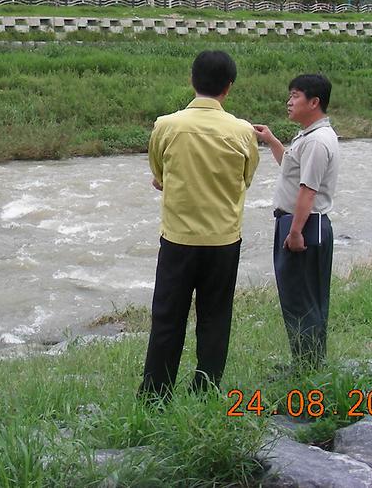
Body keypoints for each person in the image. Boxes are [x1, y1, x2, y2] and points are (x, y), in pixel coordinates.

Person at [140, 50, 260, 398]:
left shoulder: (166, 125)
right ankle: (205, 390)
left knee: (167, 318)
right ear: (229, 87)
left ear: (192, 80)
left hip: (178, 239)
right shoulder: (243, 131)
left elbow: (159, 175)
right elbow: (246, 178)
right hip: (223, 241)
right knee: (215, 317)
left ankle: (155, 394)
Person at [253, 74, 340, 370]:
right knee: (301, 298)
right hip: (300, 224)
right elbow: (291, 168)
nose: (289, 102)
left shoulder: (317, 141)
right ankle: (307, 363)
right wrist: (272, 141)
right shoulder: (308, 136)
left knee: (301, 300)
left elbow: (308, 190)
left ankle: (307, 367)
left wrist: (295, 232)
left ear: (314, 102)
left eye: (295, 96)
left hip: (304, 226)